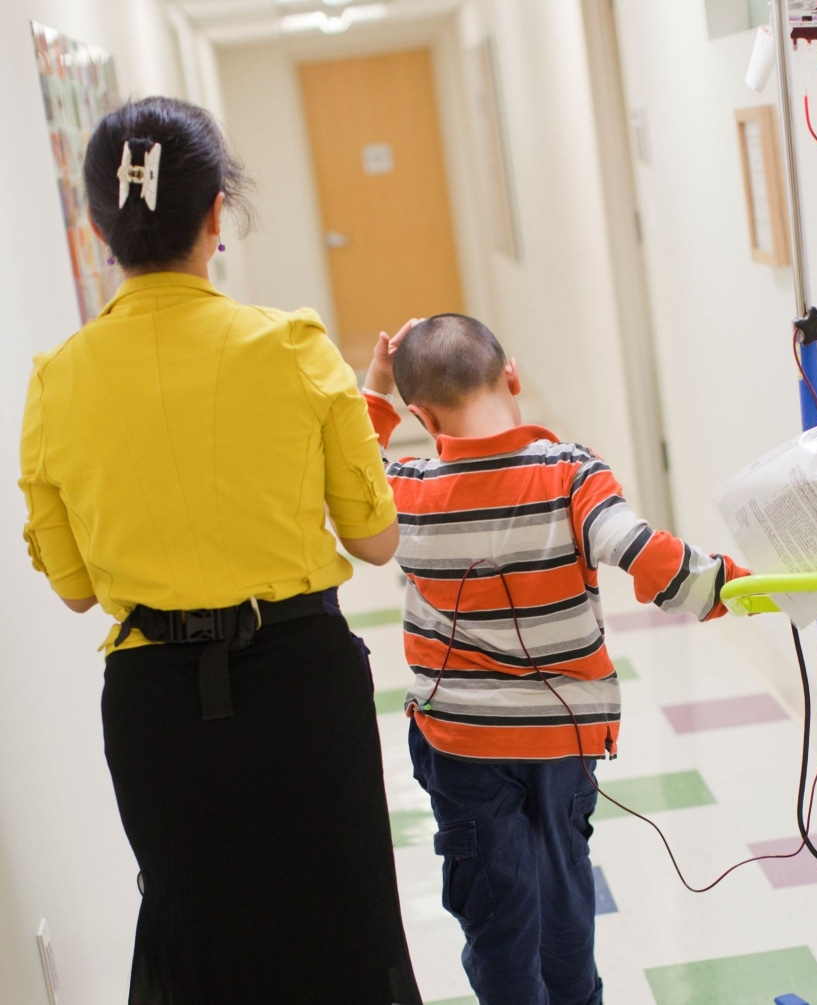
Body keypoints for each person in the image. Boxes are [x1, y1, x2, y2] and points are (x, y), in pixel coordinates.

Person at [18, 96, 422, 1005]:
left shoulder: (55, 384)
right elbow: (373, 538)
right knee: (341, 928)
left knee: (195, 936)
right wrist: (365, 421)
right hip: (301, 689)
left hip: (155, 707)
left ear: (97, 226)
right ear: (215, 215)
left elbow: (77, 591)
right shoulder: (292, 348)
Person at [361, 313, 750, 1005]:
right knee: (567, 900)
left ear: (420, 413)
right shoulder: (571, 472)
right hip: (561, 742)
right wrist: (729, 586)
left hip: (462, 747)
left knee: (497, 917)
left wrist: (377, 392)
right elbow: (640, 550)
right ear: (511, 374)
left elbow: (354, 478)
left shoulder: (407, 492)